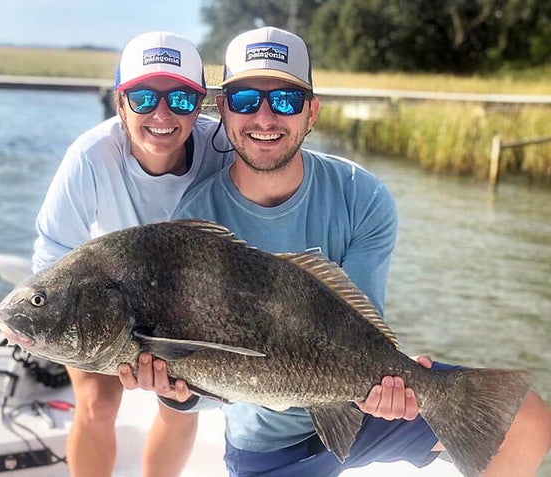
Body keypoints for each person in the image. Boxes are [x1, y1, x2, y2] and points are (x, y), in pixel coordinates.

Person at [124, 26, 551, 476]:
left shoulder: (361, 196)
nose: (265, 118)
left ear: (312, 112)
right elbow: (198, 361)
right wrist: (179, 388)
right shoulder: (195, 219)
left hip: (359, 409)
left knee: (527, 417)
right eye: (247, 99)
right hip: (267, 443)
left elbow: (361, 330)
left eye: (286, 100)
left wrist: (396, 383)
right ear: (224, 109)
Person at [32, 31, 232, 477]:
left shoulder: (225, 153)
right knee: (99, 404)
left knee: (180, 405)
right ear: (120, 103)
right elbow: (52, 255)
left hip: (184, 306)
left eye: (180, 99)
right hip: (102, 300)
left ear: (200, 104)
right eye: (142, 98)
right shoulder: (89, 157)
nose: (161, 114)